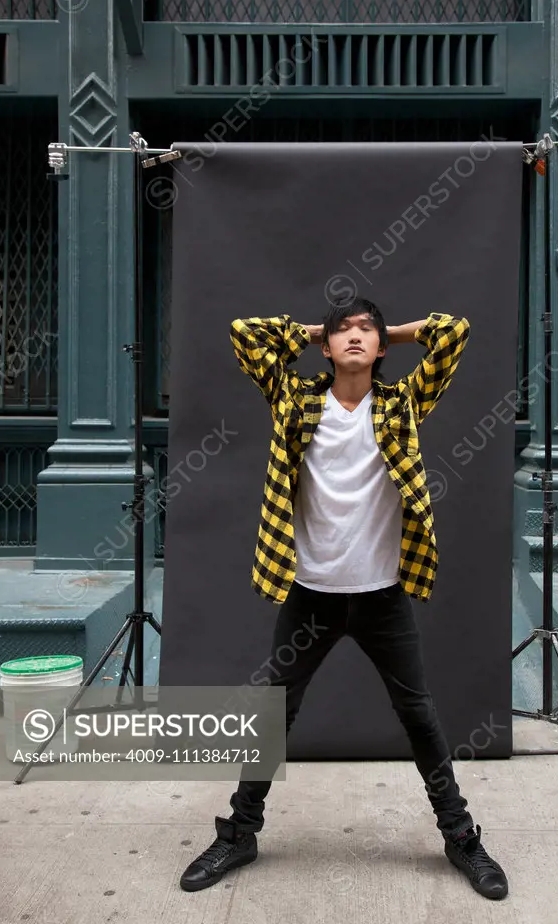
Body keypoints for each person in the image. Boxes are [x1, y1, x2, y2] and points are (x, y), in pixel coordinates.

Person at [180, 297, 508, 900]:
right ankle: (239, 833)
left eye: (365, 330)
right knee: (274, 715)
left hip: (382, 593)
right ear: (325, 347)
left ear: (381, 347)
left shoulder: (401, 403)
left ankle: (461, 837)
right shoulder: (297, 400)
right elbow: (243, 334)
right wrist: (314, 333)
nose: (354, 337)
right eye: (343, 331)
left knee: (420, 716)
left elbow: (454, 332)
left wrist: (391, 333)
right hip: (310, 594)